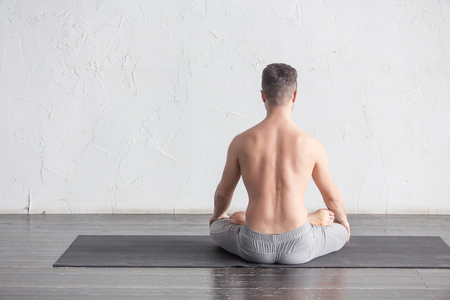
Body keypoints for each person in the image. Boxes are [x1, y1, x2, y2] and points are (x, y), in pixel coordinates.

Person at [209, 63, 350, 264]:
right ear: (294, 96)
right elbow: (333, 196)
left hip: (253, 245)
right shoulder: (311, 144)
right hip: (300, 244)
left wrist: (217, 216)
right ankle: (308, 220)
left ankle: (246, 219)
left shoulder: (241, 141)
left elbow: (223, 193)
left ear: (262, 96)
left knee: (217, 226)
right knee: (339, 231)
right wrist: (343, 222)